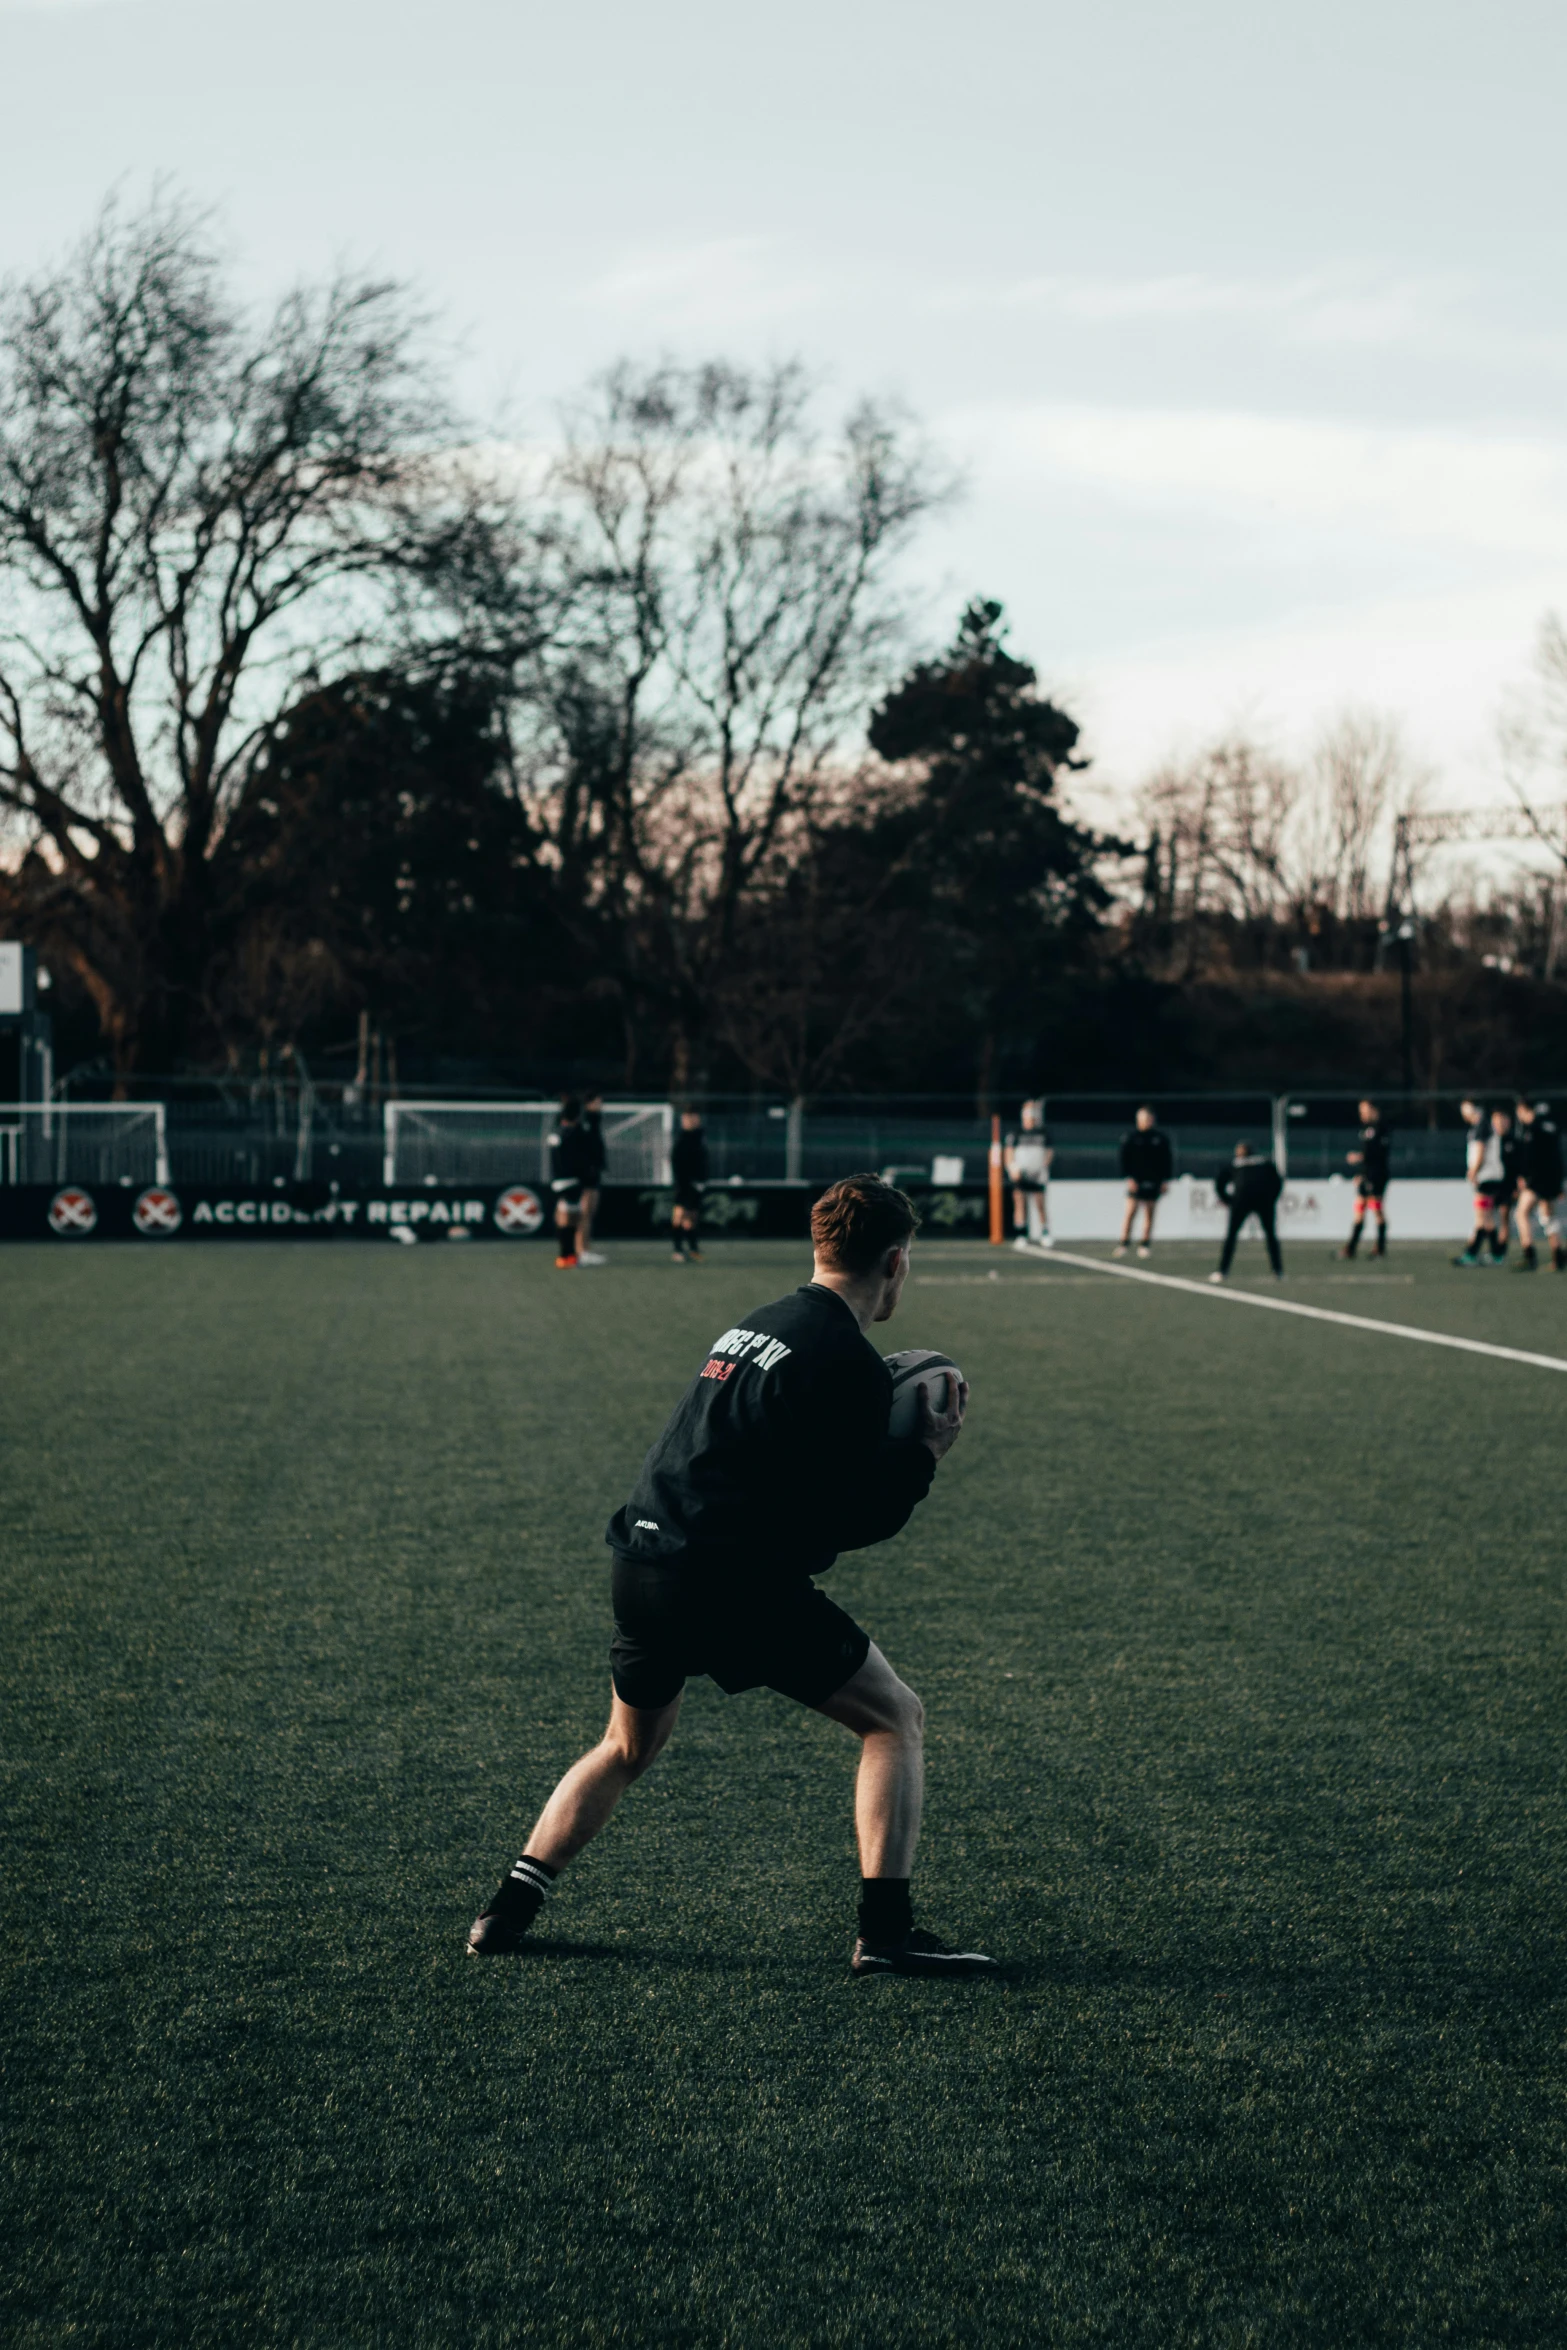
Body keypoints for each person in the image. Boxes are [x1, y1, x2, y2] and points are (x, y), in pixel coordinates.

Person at [467, 1173, 998, 1979]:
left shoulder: (755, 1325)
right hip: (723, 1580)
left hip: (640, 1561)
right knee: (893, 1719)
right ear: (895, 1261)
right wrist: (920, 1457)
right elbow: (849, 1524)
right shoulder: (845, 1361)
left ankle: (505, 1909)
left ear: (820, 1247)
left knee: (624, 1745)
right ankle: (885, 1933)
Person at [1209, 1140, 1283, 1282]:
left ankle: (1223, 1271)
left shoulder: (1240, 1164)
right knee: (1267, 1236)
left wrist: (1228, 1199)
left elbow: (1220, 1183)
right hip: (1255, 1202)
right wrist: (1271, 1198)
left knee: (1234, 1236)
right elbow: (1277, 1182)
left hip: (1247, 1202)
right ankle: (1277, 1270)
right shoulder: (1263, 1163)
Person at [1453, 1106, 1519, 1267]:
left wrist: (1473, 1172)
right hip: (1491, 1178)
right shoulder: (1487, 1128)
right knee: (1488, 1219)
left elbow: (1481, 1152)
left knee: (1481, 1218)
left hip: (1486, 1179)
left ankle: (1471, 1254)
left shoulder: (1482, 1127)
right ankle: (1496, 1254)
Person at [1511, 1097, 1565, 1272]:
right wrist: (1559, 1183)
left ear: (1526, 1110)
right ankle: (1558, 1255)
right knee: (1548, 1216)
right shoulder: (1550, 1126)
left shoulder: (1532, 1129)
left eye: (1519, 1112)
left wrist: (1525, 1177)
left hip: (1537, 1181)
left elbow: (1531, 1158)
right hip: (1551, 1181)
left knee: (1521, 1213)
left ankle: (1530, 1255)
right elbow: (1558, 1156)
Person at [1113, 1105, 1173, 1257]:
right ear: (1138, 1119)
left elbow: (1167, 1160)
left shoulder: (1160, 1138)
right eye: (1145, 1118)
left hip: (1154, 1180)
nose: (1148, 1121)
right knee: (1130, 1212)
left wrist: (1165, 1180)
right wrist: (1128, 1177)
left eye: (1150, 1119)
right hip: (1136, 1181)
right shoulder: (1131, 1137)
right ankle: (1124, 1243)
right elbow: (1124, 1159)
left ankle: (1144, 1244)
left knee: (1149, 1213)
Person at [1338, 1099, 1393, 1259]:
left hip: (1377, 1176)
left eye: (1364, 1110)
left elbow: (1377, 1156)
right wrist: (1361, 1173)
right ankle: (1351, 1248)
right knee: (1359, 1209)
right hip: (1366, 1175)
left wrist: (1358, 1158)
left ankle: (1380, 1248)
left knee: (1376, 1210)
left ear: (1374, 1110)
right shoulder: (1366, 1129)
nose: (1362, 1114)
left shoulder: (1381, 1129)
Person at [548, 1096, 597, 1269]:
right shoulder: (574, 1134)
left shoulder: (556, 1132)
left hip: (557, 1179)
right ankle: (566, 1255)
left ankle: (568, 1255)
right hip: (570, 1180)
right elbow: (581, 1158)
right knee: (571, 1217)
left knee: (566, 1214)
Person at [1004, 1099, 1053, 1251]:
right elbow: (1009, 1153)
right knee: (1020, 1202)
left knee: (1040, 1203)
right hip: (1021, 1173)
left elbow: (1049, 1153)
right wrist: (1012, 1168)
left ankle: (1045, 1232)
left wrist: (1043, 1167)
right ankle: (1021, 1234)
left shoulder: (1043, 1133)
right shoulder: (1016, 1134)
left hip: (1037, 1173)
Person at [670, 1105, 709, 1262]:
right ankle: (677, 1250)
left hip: (697, 1185)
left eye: (694, 1118)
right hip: (683, 1184)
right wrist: (684, 1182)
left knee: (693, 1216)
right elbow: (678, 1164)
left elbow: (703, 1162)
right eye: (688, 1118)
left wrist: (702, 1180)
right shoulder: (682, 1140)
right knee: (679, 1215)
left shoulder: (699, 1139)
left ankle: (693, 1249)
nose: (692, 1121)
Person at [576, 1092, 609, 1266]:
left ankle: (585, 1248)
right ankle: (581, 1250)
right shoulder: (585, 1122)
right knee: (584, 1212)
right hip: (586, 1174)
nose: (600, 1106)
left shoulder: (594, 1122)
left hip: (594, 1172)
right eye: (597, 1103)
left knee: (590, 1212)